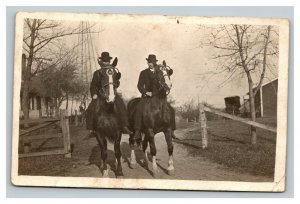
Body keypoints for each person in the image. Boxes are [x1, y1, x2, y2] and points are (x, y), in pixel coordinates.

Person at [86, 52, 132, 137]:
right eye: (104, 61)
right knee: (91, 108)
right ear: (102, 61)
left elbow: (117, 83)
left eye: (107, 61)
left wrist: (114, 83)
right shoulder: (97, 73)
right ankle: (91, 129)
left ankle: (124, 126)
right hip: (100, 95)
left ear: (109, 61)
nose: (106, 62)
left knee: (121, 105)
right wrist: (94, 94)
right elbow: (93, 85)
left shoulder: (113, 71)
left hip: (112, 93)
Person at [133, 54, 177, 141]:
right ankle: (137, 131)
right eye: (149, 62)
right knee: (139, 108)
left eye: (152, 62)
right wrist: (146, 92)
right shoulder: (143, 73)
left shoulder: (159, 72)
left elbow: (165, 78)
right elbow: (139, 85)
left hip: (159, 96)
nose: (150, 63)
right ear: (147, 62)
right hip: (147, 96)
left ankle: (172, 130)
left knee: (171, 109)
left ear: (155, 62)